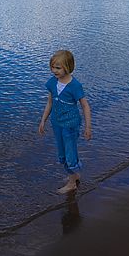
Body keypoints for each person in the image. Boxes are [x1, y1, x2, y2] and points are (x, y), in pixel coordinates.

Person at [38, 49, 92, 194]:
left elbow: (85, 106)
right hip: (57, 123)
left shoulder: (75, 86)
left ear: (68, 67)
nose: (53, 70)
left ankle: (72, 183)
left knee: (70, 153)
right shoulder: (52, 83)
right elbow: (49, 102)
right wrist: (43, 120)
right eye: (52, 67)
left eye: (58, 67)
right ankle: (74, 176)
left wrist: (88, 127)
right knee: (62, 152)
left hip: (70, 125)